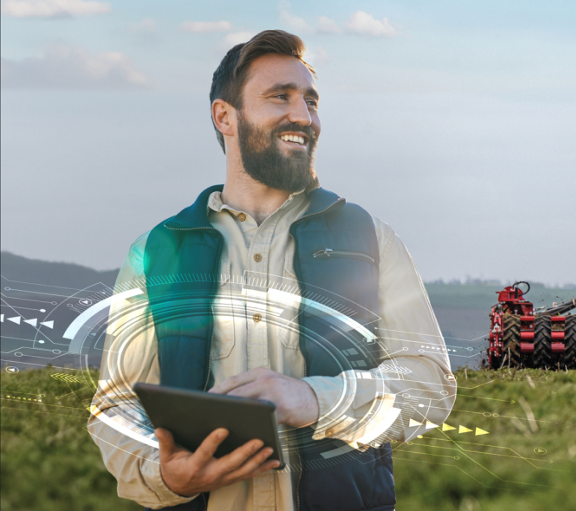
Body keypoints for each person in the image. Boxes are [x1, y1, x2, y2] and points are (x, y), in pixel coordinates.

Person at [88, 30, 455, 511]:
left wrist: (317, 399)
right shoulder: (156, 253)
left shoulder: (370, 239)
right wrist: (165, 472)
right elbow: (116, 408)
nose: (303, 116)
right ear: (226, 116)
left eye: (311, 101)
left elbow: (430, 384)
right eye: (280, 97)